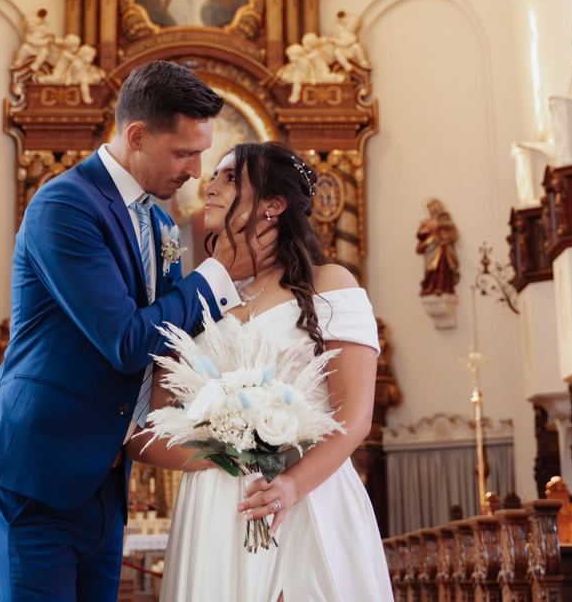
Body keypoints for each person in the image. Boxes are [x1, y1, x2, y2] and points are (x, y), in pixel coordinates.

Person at [0, 61, 250, 602]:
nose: (196, 171)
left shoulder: (159, 223)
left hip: (103, 477)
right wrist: (216, 275)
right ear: (137, 136)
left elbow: (168, 340)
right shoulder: (65, 204)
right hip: (37, 472)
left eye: (201, 154)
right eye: (183, 153)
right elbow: (126, 342)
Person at [133, 142, 393, 602]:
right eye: (214, 176)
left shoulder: (329, 284)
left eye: (230, 177)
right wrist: (223, 450)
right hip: (214, 508)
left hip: (306, 494)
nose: (210, 186)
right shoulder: (195, 298)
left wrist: (291, 484)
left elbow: (354, 419)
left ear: (274, 204)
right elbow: (149, 430)